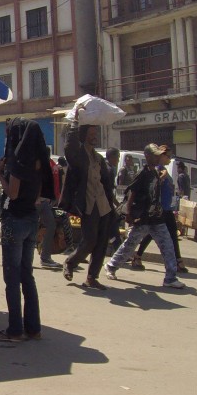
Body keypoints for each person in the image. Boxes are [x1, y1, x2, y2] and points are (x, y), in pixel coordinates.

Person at [0, 118, 54, 342]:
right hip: (31, 219)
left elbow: (13, 193)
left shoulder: (19, 161)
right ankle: (33, 328)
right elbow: (39, 196)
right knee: (27, 275)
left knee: (12, 276)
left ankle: (15, 329)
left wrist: (0, 174)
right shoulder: (40, 162)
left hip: (15, 220)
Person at [105, 144, 186, 289]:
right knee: (129, 245)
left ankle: (170, 278)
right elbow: (132, 194)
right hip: (143, 218)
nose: (157, 157)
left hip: (156, 218)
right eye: (155, 155)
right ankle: (111, 266)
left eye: (158, 155)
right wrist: (129, 213)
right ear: (147, 156)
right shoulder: (142, 174)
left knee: (168, 246)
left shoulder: (155, 172)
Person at [59, 105, 116, 290]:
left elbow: (105, 183)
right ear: (83, 135)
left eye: (95, 132)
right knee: (89, 240)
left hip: (104, 206)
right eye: (91, 132)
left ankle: (92, 277)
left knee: (101, 243)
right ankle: (70, 262)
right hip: (88, 205)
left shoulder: (98, 158)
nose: (95, 135)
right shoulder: (78, 155)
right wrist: (75, 122)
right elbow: (69, 147)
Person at [131, 147, 187, 273]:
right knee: (162, 233)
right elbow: (153, 187)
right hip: (159, 208)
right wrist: (162, 178)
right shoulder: (157, 170)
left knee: (159, 233)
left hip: (166, 207)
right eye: (167, 156)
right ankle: (176, 262)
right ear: (161, 156)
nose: (169, 159)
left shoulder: (164, 169)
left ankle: (138, 256)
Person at [37, 146, 61, 268]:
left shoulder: (50, 166)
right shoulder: (36, 165)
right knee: (29, 229)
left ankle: (45, 257)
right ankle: (23, 257)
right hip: (35, 202)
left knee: (51, 225)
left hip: (44, 202)